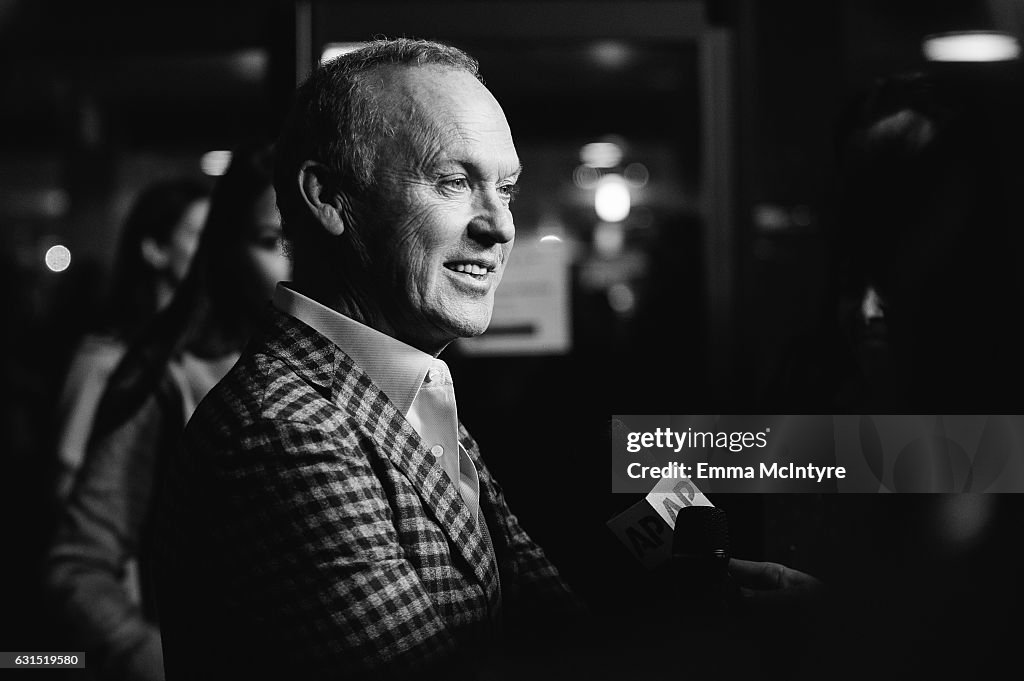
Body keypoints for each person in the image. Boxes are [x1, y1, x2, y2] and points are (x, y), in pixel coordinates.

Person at [156, 38, 824, 681]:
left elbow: (553, 635)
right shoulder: (286, 431)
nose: (500, 225)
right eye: (453, 181)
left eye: (504, 189)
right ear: (329, 197)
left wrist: (708, 621)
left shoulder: (407, 387)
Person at [44, 142, 291, 681]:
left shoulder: (356, 376)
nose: (298, 265)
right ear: (227, 251)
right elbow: (81, 555)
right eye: (273, 241)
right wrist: (148, 655)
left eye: (312, 242)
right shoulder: (159, 373)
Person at [52, 179, 210, 500]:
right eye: (198, 235)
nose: (213, 249)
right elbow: (66, 485)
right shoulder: (105, 358)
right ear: (154, 250)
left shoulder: (206, 352)